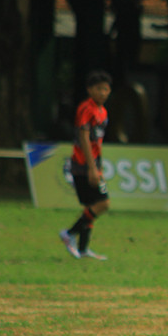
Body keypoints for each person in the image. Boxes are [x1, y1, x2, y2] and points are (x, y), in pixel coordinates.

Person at [60, 70, 112, 260]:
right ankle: (69, 234)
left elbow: (97, 143)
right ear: (89, 90)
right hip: (82, 165)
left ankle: (83, 249)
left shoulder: (103, 111)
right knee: (103, 203)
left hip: (93, 165)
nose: (103, 93)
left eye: (106, 89)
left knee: (92, 205)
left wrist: (98, 167)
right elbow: (83, 137)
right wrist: (91, 167)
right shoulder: (86, 108)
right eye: (99, 89)